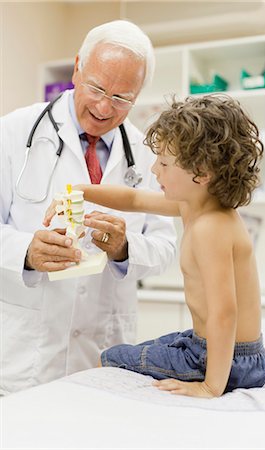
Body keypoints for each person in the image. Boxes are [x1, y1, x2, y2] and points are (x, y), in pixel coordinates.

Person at [45, 94, 265, 398]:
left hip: (231, 361)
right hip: (221, 348)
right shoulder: (198, 205)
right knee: (141, 349)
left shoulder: (209, 228)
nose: (154, 170)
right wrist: (79, 191)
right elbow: (134, 199)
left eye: (164, 162)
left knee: (109, 359)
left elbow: (224, 313)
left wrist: (210, 387)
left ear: (201, 173)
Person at [0, 20, 176, 395]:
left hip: (104, 352)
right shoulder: (14, 133)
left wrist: (125, 248)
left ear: (138, 95)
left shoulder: (147, 154)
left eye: (121, 97)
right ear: (78, 66)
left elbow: (165, 246)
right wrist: (26, 252)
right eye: (97, 87)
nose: (103, 106)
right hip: (25, 357)